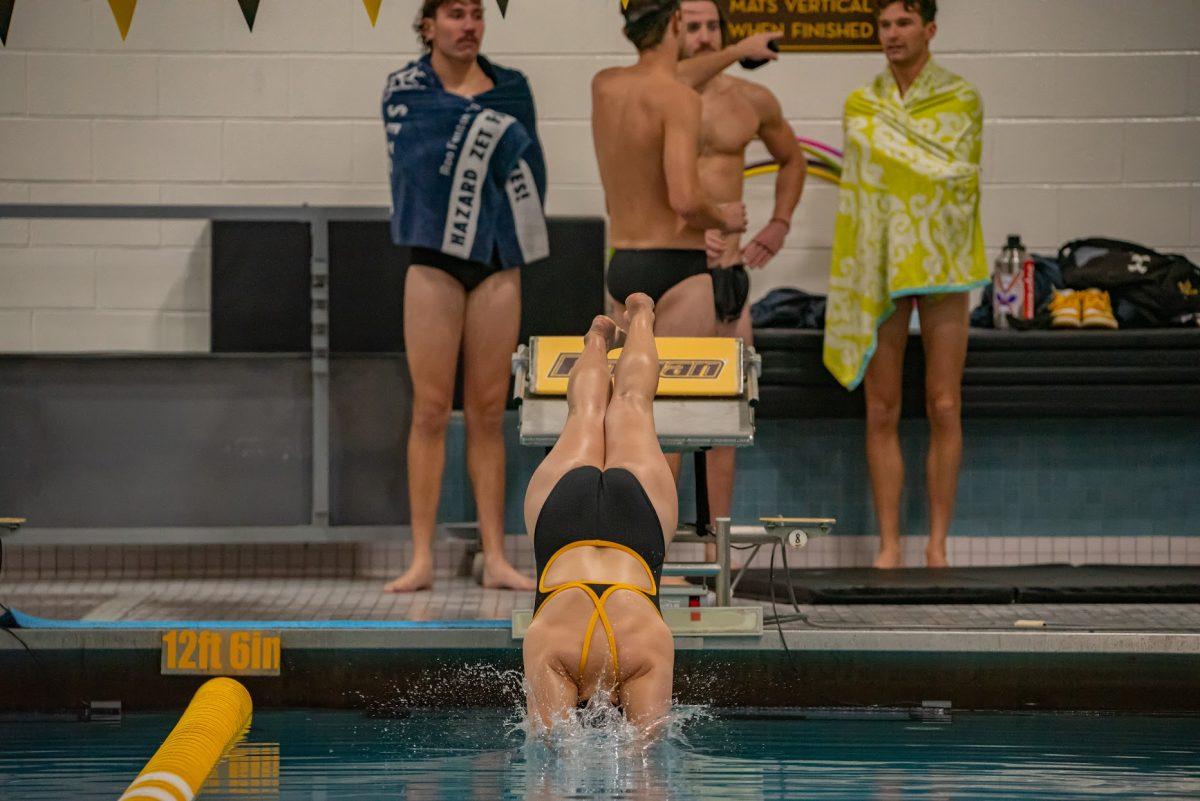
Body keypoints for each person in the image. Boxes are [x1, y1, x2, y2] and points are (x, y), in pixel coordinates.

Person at [381, 0, 549, 592]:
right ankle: (422, 557)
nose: (469, 24)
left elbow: (529, 166)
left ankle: (497, 557)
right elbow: (417, 169)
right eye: (455, 13)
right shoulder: (405, 91)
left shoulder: (513, 89)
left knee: (486, 412)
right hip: (433, 260)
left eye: (477, 13)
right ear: (428, 25)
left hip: (498, 262)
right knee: (429, 410)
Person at [822, 0, 987, 568]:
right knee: (882, 408)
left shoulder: (961, 98)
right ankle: (889, 544)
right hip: (878, 264)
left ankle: (938, 544)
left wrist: (906, 167)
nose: (891, 34)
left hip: (943, 260)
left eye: (903, 24)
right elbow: (867, 185)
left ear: (929, 29)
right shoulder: (861, 103)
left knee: (943, 403)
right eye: (884, 25)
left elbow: (955, 172)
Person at [678, 0, 806, 554]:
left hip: (728, 276)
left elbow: (793, 159)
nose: (705, 37)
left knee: (726, 416)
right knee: (660, 419)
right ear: (671, 32)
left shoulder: (751, 101)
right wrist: (678, 230)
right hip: (671, 274)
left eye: (713, 27)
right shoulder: (655, 97)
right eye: (693, 26)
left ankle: (715, 552)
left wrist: (778, 223)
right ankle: (653, 550)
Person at [522, 293, 676, 736]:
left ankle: (638, 317)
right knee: (591, 413)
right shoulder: (551, 647)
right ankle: (599, 338)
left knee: (629, 404)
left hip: (635, 532)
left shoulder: (647, 654)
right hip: (561, 532)